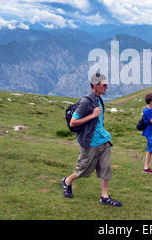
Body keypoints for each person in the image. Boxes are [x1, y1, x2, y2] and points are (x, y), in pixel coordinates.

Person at [61, 73, 122, 207]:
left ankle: (104, 197)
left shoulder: (99, 99)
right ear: (96, 85)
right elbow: (73, 122)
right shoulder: (86, 101)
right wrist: (92, 115)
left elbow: (98, 121)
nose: (107, 87)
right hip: (90, 143)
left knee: (105, 169)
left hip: (104, 141)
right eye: (104, 85)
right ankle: (67, 181)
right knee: (83, 169)